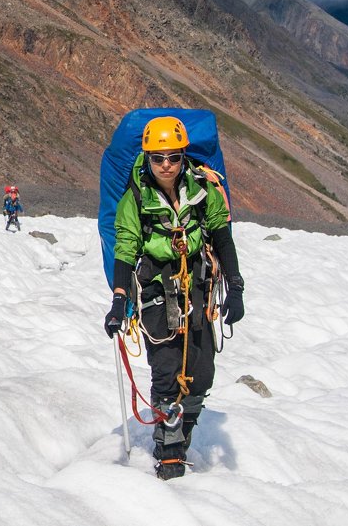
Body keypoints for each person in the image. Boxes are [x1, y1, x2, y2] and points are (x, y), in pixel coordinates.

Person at [103, 115, 245, 480]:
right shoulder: (135, 197)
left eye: (173, 157)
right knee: (166, 371)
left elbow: (221, 234)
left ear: (184, 156)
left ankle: (182, 435)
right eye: (158, 157)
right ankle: (168, 457)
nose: (166, 165)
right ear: (147, 158)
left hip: (197, 284)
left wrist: (236, 286)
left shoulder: (203, 188)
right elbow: (125, 246)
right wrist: (120, 299)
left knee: (201, 372)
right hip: (155, 287)